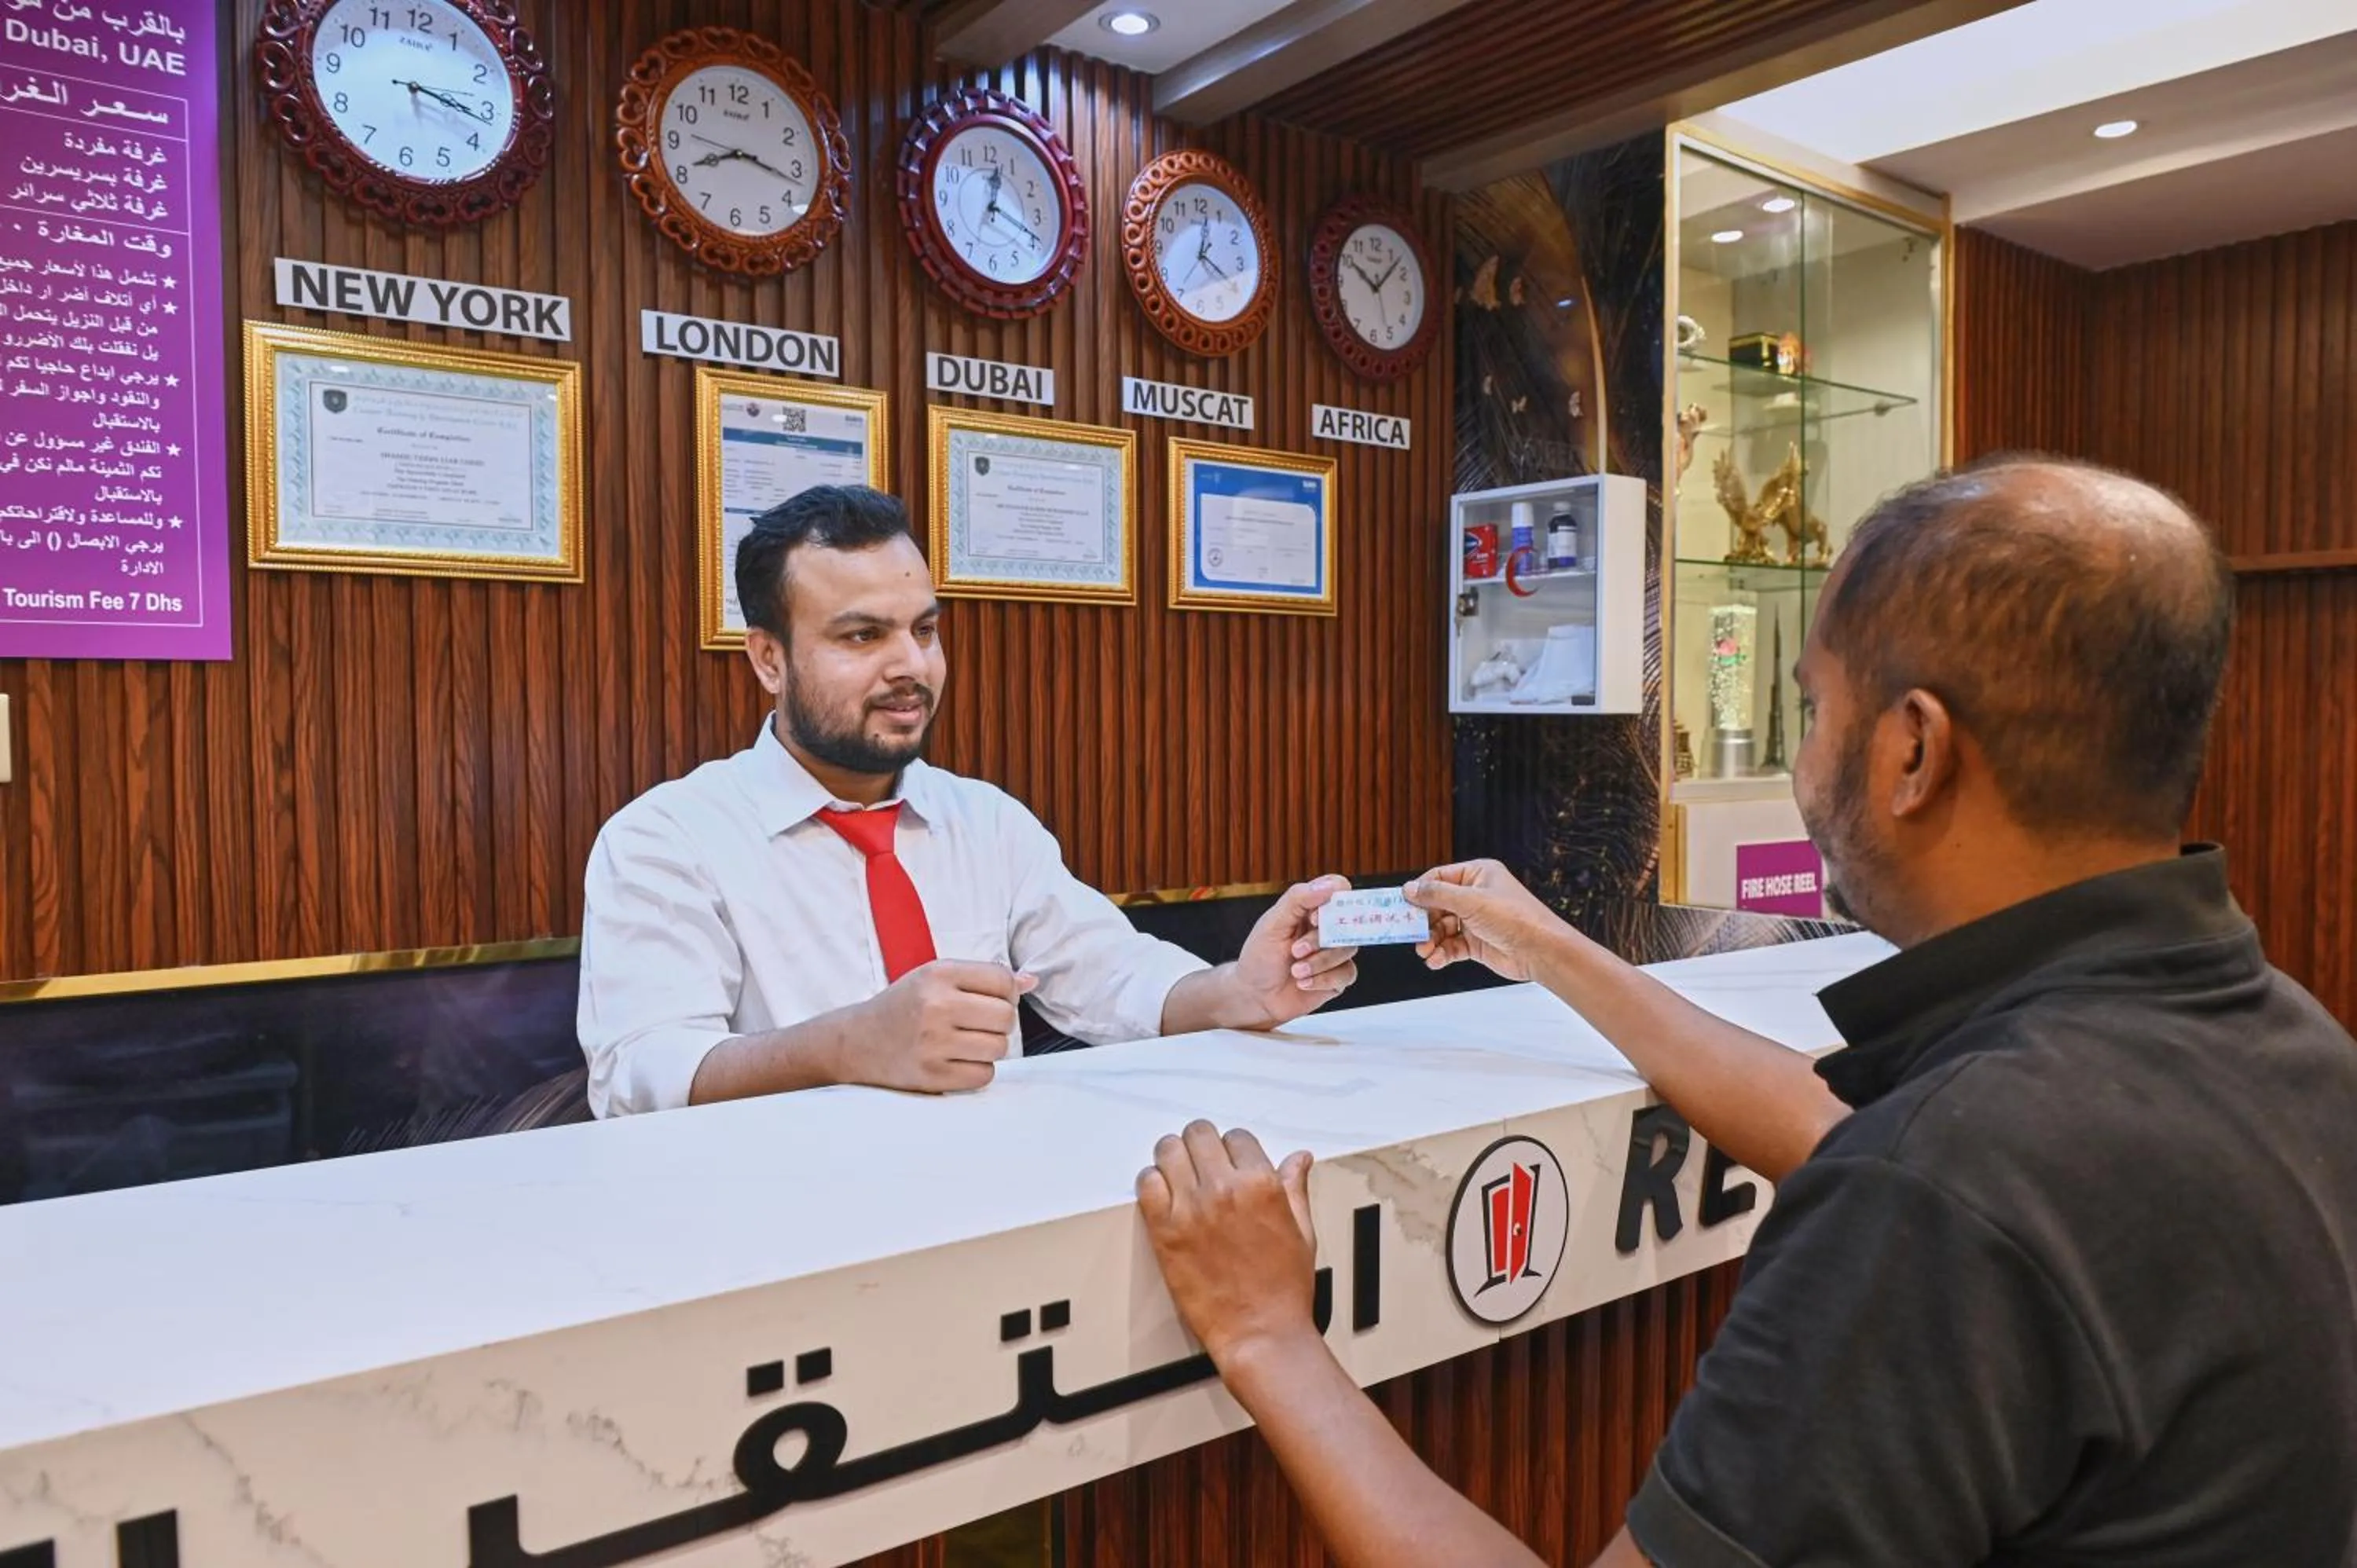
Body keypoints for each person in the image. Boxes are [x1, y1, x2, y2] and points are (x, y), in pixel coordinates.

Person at [1137, 458, 2357, 1566]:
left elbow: (1918, 1183)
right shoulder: (2294, 1047)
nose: (1805, 752)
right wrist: (1554, 948)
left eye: (1813, 708)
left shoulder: (1944, 1193)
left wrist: (1267, 1339)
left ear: (1913, 752)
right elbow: (1847, 1139)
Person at [577, 485, 1358, 1117]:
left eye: (924, 630)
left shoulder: (985, 820)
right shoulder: (666, 838)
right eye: (861, 637)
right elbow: (642, 1074)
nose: (910, 665)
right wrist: (846, 1044)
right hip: (783, 1237)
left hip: (998, 1210)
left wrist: (1240, 991)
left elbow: (1115, 977)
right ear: (769, 660)